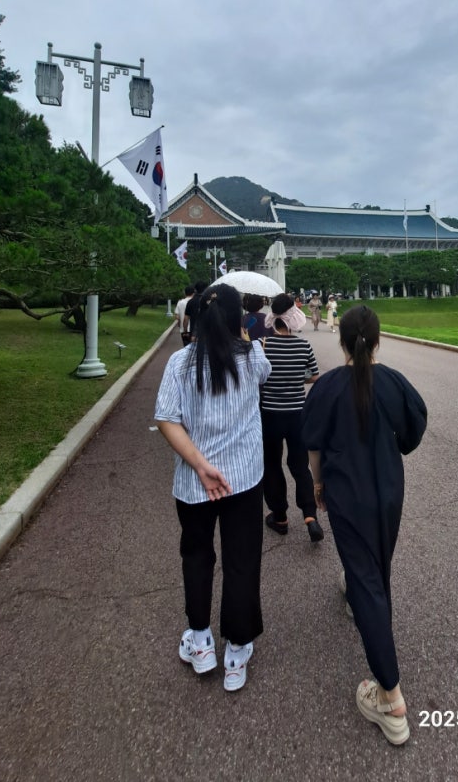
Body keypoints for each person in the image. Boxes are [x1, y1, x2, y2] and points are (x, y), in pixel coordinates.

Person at [301, 305, 427, 745]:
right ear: (377, 341)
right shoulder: (393, 382)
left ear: (342, 340)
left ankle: (390, 699)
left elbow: (312, 445)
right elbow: (413, 432)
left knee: (367, 580)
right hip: (387, 490)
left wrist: (317, 483)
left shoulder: (327, 387)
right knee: (375, 565)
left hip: (346, 492)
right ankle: (357, 590)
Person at [154, 283, 271, 692]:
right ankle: (237, 650)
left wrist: (202, 467)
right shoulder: (253, 357)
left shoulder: (179, 363)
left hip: (194, 483)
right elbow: (263, 370)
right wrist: (244, 333)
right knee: (242, 560)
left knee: (197, 556)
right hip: (243, 479)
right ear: (240, 320)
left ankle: (201, 640)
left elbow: (166, 418)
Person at [260, 293, 323, 542]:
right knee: (299, 465)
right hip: (298, 413)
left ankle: (280, 517)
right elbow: (314, 376)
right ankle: (310, 516)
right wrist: (298, 378)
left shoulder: (263, 345)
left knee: (272, 464)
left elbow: (258, 377)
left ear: (274, 318)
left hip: (270, 414)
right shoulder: (303, 345)